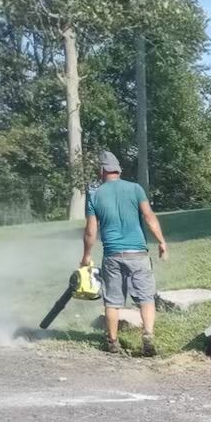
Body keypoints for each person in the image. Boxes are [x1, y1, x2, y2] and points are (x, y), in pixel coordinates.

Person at [82, 150, 168, 356]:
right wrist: (162, 242)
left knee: (112, 301)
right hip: (138, 253)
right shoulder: (135, 189)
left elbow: (91, 230)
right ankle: (147, 336)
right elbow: (149, 217)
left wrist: (86, 255)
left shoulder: (94, 195)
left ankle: (112, 343)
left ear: (102, 171)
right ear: (118, 170)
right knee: (146, 298)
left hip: (112, 255)